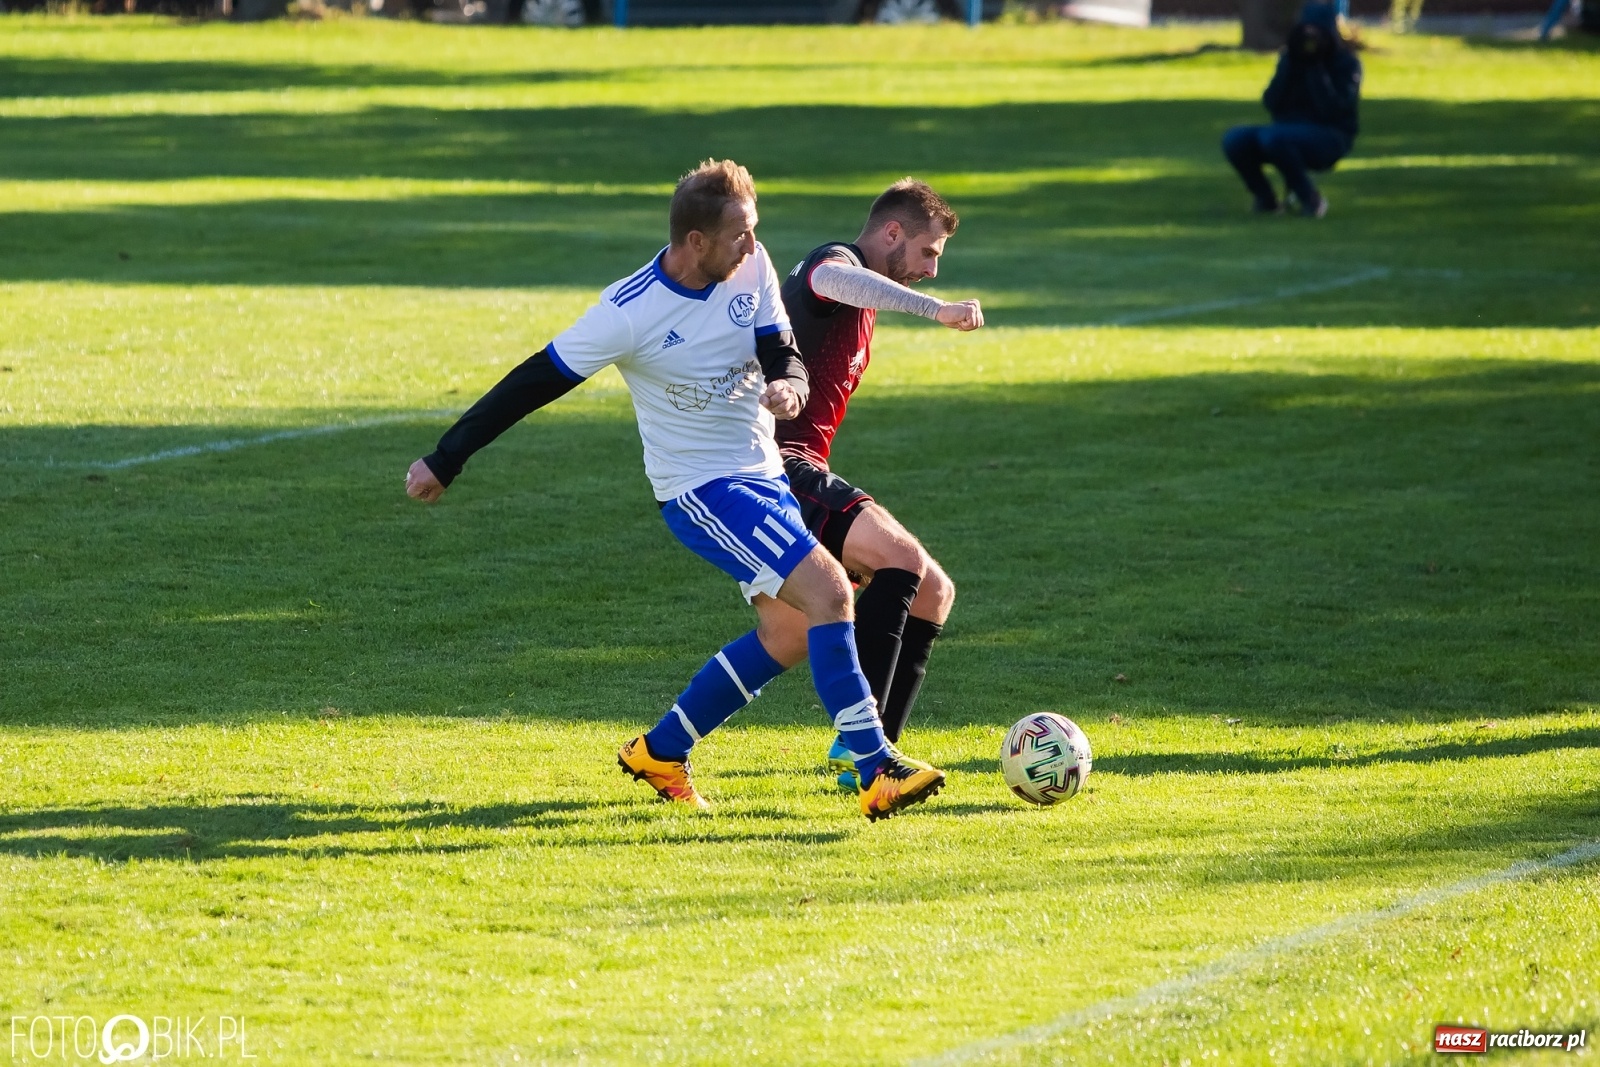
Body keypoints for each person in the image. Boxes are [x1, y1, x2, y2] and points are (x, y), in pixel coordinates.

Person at [404, 159, 946, 822]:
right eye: (740, 234)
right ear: (696, 242)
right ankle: (873, 765)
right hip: (701, 487)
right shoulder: (628, 312)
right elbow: (532, 382)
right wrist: (445, 457)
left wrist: (791, 384)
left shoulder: (751, 265)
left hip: (761, 473)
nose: (754, 244)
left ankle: (660, 751)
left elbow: (780, 344)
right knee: (832, 591)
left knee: (791, 629)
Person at [759, 179, 984, 790]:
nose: (931, 271)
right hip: (778, 467)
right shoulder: (836, 266)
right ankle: (865, 751)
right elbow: (832, 278)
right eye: (928, 252)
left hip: (804, 467)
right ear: (892, 233)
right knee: (900, 561)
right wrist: (937, 313)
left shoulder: (859, 300)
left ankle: (868, 750)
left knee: (934, 592)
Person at [1221, 1, 1362, 218]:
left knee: (1274, 139)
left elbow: (1335, 110)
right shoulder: (1291, 60)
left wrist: (1316, 69)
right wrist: (1291, 66)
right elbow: (1271, 101)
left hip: (1330, 135)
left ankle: (1310, 199)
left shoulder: (1346, 64)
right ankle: (1265, 199)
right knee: (1235, 140)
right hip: (1285, 129)